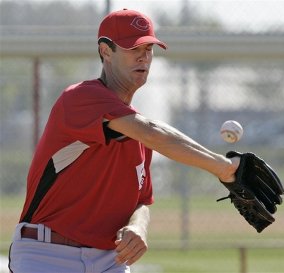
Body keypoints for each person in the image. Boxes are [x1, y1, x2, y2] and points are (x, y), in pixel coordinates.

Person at [9, 8, 240, 273]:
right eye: (133, 48)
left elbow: (141, 201)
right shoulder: (80, 98)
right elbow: (153, 132)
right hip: (48, 255)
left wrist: (138, 227)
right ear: (106, 51)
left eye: (149, 49)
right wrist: (224, 169)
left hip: (111, 260)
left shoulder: (139, 136)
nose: (143, 57)